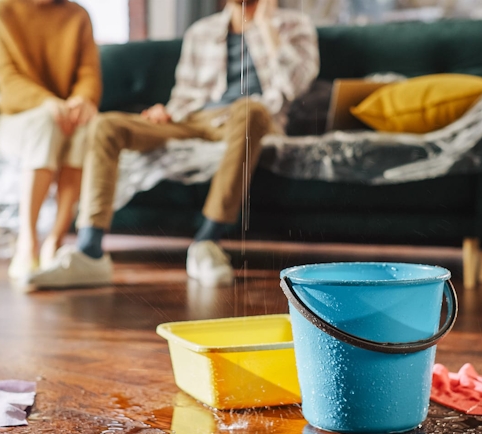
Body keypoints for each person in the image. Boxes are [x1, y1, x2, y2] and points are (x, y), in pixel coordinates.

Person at [29, 0, 319, 289]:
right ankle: (89, 251)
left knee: (250, 110)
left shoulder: (293, 26)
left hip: (249, 118)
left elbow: (292, 86)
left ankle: (207, 242)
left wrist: (267, 26)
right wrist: (167, 111)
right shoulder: (201, 32)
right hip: (194, 118)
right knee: (106, 126)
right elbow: (184, 93)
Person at [0, 0, 101, 280]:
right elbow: (8, 78)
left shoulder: (77, 15)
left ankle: (55, 239)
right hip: (17, 121)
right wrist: (47, 102)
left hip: (65, 118)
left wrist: (81, 100)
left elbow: (89, 72)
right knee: (46, 123)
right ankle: (28, 242)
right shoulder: (2, 10)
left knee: (90, 128)